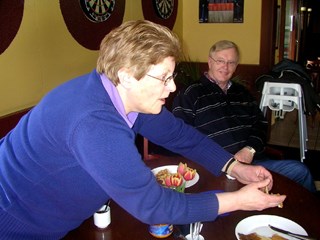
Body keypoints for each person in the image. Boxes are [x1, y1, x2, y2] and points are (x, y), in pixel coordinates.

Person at [0, 21, 285, 239]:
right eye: (164, 78)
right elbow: (153, 206)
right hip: (17, 224)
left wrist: (235, 168)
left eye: (172, 76)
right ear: (126, 75)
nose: (173, 87)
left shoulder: (120, 93)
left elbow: (179, 134)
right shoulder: (95, 123)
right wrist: (239, 200)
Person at [172, 40, 316, 193]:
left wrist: (250, 150)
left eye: (231, 62)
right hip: (213, 169)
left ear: (236, 66)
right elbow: (181, 137)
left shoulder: (242, 93)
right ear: (210, 62)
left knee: (300, 171)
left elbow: (260, 124)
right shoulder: (190, 94)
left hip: (254, 166)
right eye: (220, 61)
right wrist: (221, 162)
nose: (225, 67)